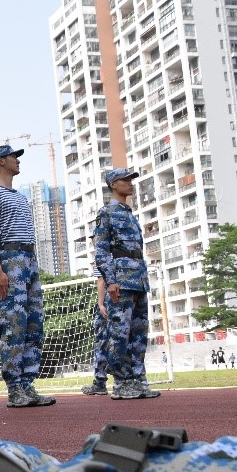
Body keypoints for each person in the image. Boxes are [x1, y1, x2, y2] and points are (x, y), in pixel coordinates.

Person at [0, 144, 55, 409]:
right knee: (14, 325)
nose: (18, 161)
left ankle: (28, 384)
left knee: (34, 323)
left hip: (29, 259)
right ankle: (14, 388)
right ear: (1, 161)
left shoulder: (21, 197)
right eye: (14, 157)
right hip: (10, 260)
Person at [94, 168, 160, 400]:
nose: (130, 183)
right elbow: (101, 252)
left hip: (139, 281)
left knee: (139, 335)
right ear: (113, 184)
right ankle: (122, 383)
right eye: (125, 180)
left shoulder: (130, 214)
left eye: (131, 180)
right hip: (121, 282)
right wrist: (111, 281)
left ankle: (138, 380)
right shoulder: (107, 213)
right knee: (119, 335)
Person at [81, 260, 110, 396]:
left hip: (109, 304)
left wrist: (100, 303)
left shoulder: (102, 256)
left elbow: (101, 280)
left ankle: (100, 382)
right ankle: (128, 380)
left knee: (102, 343)